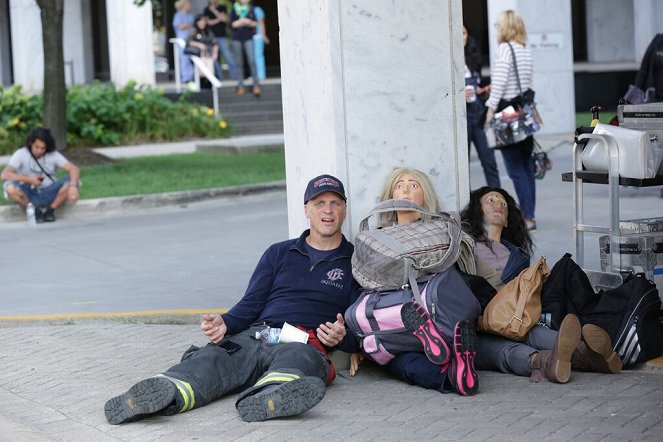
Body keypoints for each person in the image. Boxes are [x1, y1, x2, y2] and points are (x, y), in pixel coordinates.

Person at [104, 174, 361, 424]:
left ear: (345, 210)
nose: (328, 210)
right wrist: (225, 323)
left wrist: (343, 338)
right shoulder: (279, 252)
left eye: (335, 203)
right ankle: (166, 392)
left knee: (296, 361)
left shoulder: (355, 262)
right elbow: (251, 303)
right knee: (213, 359)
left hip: (304, 341)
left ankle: (268, 397)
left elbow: (362, 327)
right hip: (257, 335)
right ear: (307, 209)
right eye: (319, 203)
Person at [461, 186, 622, 383]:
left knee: (532, 332)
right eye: (491, 200)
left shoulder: (518, 255)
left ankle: (588, 353)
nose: (499, 206)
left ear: (507, 220)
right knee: (498, 347)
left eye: (503, 204)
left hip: (515, 316)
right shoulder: (465, 247)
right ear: (477, 210)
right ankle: (547, 361)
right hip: (481, 321)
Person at [350, 167, 480, 396]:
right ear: (391, 196)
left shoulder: (443, 230)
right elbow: (363, 281)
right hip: (400, 318)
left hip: (419, 309)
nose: (406, 190)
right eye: (399, 185)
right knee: (406, 365)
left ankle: (447, 360)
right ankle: (456, 368)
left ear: (425, 196)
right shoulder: (375, 238)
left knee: (400, 363)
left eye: (414, 185)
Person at [484, 10, 537, 231]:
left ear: (506, 27)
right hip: (523, 116)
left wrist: (490, 108)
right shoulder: (525, 50)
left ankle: (527, 218)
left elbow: (500, 83)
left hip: (507, 118)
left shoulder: (505, 50)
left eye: (498, 26)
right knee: (526, 168)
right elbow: (530, 83)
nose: (497, 30)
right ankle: (530, 214)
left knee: (515, 169)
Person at [1, 127, 80, 223]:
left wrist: (73, 186)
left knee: (71, 180)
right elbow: (5, 175)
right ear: (31, 144)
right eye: (37, 147)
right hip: (28, 192)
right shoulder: (21, 154)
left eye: (43, 148)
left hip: (49, 191)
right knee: (10, 188)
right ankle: (34, 210)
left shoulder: (53, 155)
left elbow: (74, 169)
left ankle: (50, 210)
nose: (39, 151)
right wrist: (28, 179)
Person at [464, 24, 500, 188]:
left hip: (478, 114)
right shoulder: (448, 60)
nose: (461, 37)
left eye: (464, 33)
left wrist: (482, 90)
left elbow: (476, 85)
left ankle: (498, 197)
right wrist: (459, 94)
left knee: (489, 160)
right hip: (462, 118)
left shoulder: (472, 58)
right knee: (462, 166)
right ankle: (465, 204)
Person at [230, 0, 261, 96]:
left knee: (251, 61)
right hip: (237, 38)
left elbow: (255, 23)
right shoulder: (234, 8)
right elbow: (232, 24)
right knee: (239, 62)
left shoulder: (251, 8)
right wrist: (242, 22)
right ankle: (240, 86)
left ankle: (256, 85)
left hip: (248, 37)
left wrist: (246, 22)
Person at [204, 0, 240, 82]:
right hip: (211, 38)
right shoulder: (206, 9)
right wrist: (218, 18)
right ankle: (218, 78)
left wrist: (214, 11)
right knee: (215, 59)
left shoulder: (222, 7)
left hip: (222, 36)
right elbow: (207, 22)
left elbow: (224, 19)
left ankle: (236, 76)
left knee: (228, 56)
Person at [188, 14, 221, 80]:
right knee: (199, 71)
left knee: (215, 67)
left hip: (209, 54)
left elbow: (215, 43)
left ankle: (216, 83)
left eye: (204, 21)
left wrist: (215, 53)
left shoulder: (208, 31)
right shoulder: (193, 30)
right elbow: (189, 42)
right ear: (197, 22)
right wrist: (199, 45)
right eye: (201, 21)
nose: (203, 23)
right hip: (198, 55)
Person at [172, 0, 195, 85]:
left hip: (189, 39)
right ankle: (186, 77)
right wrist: (188, 25)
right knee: (184, 58)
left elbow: (191, 27)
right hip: (181, 40)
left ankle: (191, 76)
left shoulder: (190, 16)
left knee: (191, 58)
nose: (190, 5)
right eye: (188, 4)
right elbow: (180, 26)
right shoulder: (178, 15)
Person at [252, 0, 269, 81]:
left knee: (258, 56)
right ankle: (255, 75)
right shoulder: (245, 9)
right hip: (250, 37)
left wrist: (263, 35)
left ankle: (261, 75)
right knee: (253, 57)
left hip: (258, 36)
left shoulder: (257, 9)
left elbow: (262, 23)